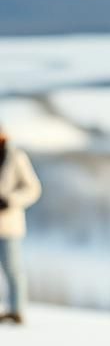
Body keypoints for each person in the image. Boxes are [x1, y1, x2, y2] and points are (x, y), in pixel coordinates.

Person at [0, 123, 43, 324]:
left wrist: (10, 200)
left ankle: (16, 310)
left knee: (12, 269)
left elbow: (33, 189)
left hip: (8, 226)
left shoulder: (16, 157)